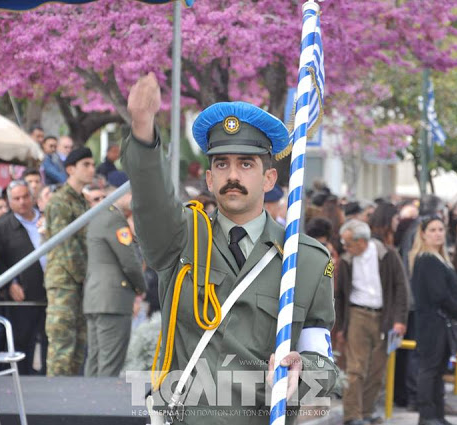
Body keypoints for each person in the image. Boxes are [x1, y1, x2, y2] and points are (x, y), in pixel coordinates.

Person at [122, 74, 338, 421]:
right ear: (209, 179)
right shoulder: (181, 239)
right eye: (221, 164)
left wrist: (304, 371)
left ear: (269, 179)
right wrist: (144, 130)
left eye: (246, 163)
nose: (232, 175)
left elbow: (324, 365)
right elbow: (151, 201)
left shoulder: (306, 260)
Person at [335, 219, 408, 425]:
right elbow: (339, 295)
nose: (345, 247)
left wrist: (400, 320)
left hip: (384, 317)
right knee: (355, 368)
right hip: (357, 314)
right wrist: (341, 326)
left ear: (361, 241)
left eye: (348, 243)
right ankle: (352, 415)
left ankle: (366, 411)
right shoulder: (347, 260)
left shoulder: (387, 255)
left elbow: (401, 287)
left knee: (377, 369)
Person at [83, 190, 146, 377]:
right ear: (123, 194)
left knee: (95, 360)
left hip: (97, 298)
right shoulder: (114, 220)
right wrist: (141, 288)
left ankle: (88, 404)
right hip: (113, 301)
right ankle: (102, 405)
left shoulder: (98, 217)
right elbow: (130, 262)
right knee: (110, 363)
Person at [44, 147, 94, 376]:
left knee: (78, 344)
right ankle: (54, 401)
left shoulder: (82, 201)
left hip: (80, 280)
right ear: (70, 169)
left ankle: (71, 400)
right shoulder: (59, 201)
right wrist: (86, 277)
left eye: (92, 165)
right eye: (86, 165)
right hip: (64, 280)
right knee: (62, 343)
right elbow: (66, 246)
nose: (91, 169)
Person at [409, 216, 457, 425]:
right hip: (431, 322)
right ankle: (427, 415)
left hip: (439, 321)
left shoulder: (439, 258)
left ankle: (438, 415)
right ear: (423, 233)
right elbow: (439, 294)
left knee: (438, 369)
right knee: (429, 369)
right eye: (432, 230)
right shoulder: (426, 259)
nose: (437, 233)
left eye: (440, 229)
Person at [0, 180, 48, 375]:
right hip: (23, 294)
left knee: (50, 339)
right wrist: (10, 283)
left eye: (25, 196)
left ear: (32, 197)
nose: (22, 202)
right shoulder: (2, 227)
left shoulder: (46, 219)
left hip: (51, 289)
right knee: (22, 340)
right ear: (9, 202)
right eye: (16, 198)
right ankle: (21, 379)